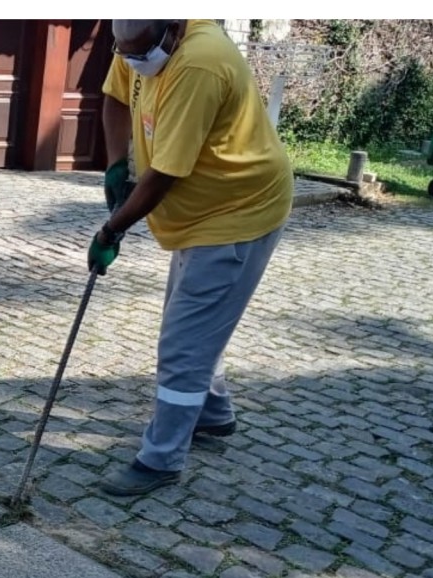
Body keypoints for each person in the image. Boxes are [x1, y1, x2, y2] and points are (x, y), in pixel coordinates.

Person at [88, 19, 294, 498]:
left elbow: (163, 175)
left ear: (173, 30)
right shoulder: (138, 41)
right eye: (126, 54)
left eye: (142, 54)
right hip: (201, 213)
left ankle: (161, 460)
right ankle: (214, 414)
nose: (135, 62)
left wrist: (112, 229)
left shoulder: (200, 64)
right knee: (197, 322)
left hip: (238, 212)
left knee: (182, 343)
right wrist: (116, 161)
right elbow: (116, 97)